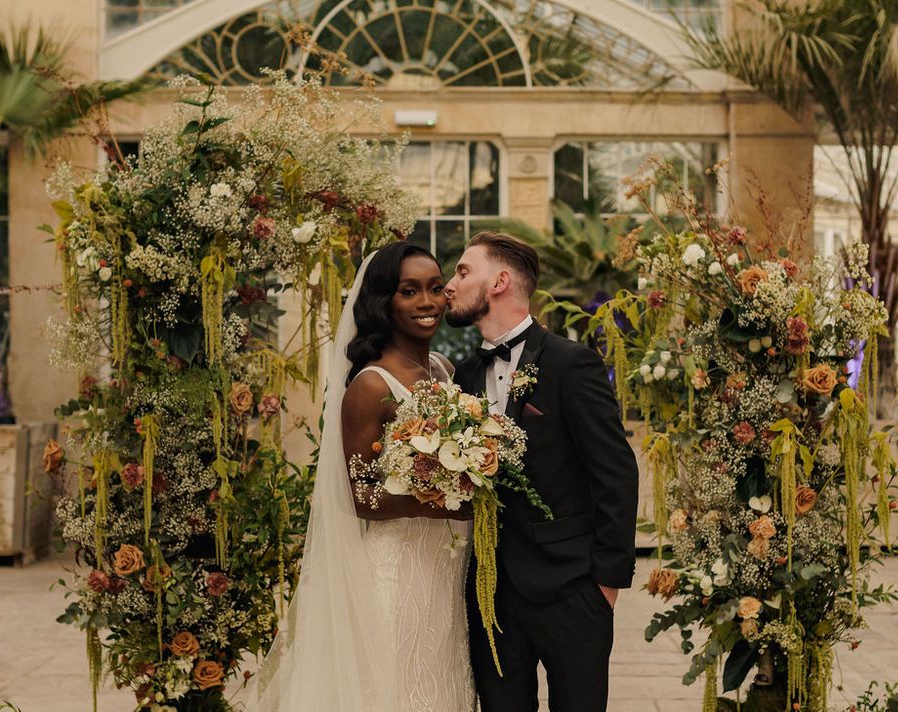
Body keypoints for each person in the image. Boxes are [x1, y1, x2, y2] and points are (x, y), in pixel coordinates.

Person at [249, 241, 474, 712]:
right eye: (409, 291)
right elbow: (360, 496)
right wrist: (439, 496)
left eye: (435, 288)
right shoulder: (371, 386)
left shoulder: (443, 370)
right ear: (383, 303)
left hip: (444, 570)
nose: (428, 302)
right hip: (396, 572)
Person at [445, 231, 639, 712]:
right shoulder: (463, 377)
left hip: (572, 589)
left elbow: (616, 472)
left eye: (463, 271)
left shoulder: (571, 364)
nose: (450, 284)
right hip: (491, 593)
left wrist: (604, 587)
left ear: (500, 281)